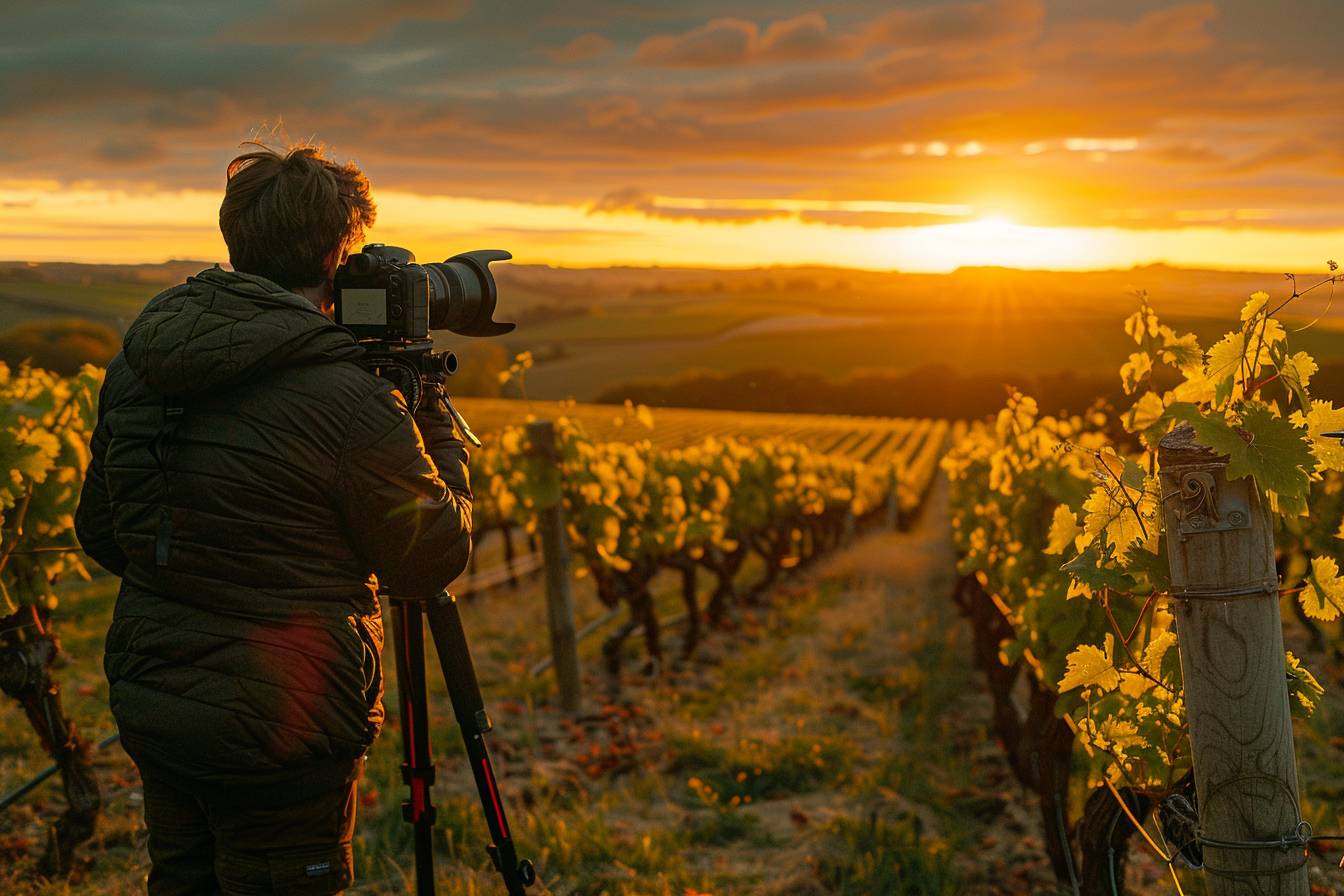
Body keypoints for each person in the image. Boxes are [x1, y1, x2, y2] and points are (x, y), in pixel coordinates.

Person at [74, 142, 473, 895]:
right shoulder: (349, 396)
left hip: (157, 703)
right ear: (335, 254)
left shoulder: (139, 364)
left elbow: (102, 531)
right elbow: (431, 557)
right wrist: (428, 413)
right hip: (286, 726)